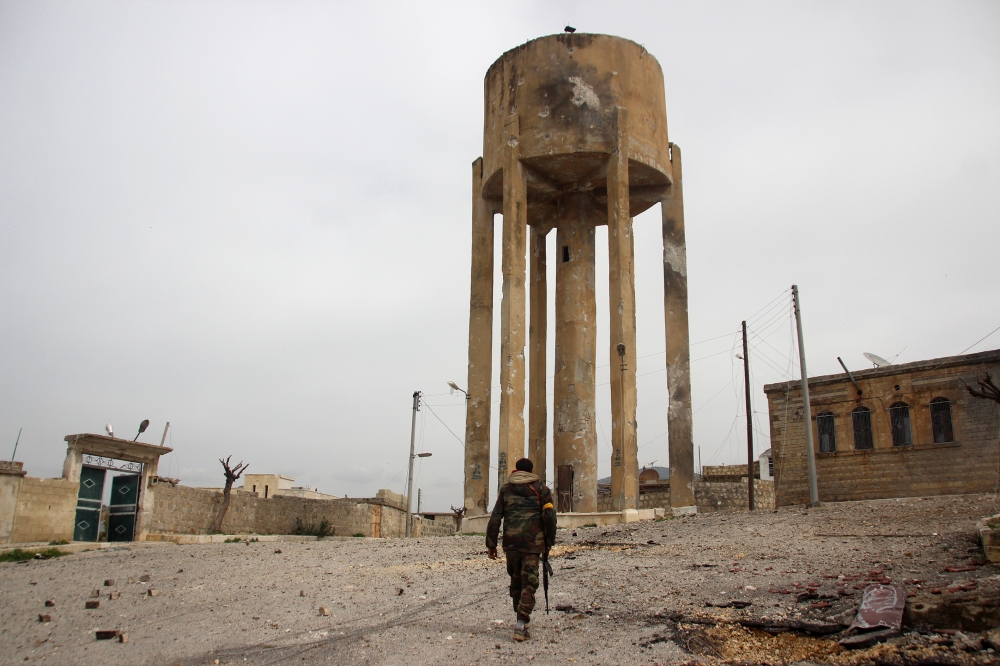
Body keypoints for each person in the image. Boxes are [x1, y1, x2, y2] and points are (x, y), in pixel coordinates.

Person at [486, 458, 557, 641]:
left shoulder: (505, 490)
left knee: (516, 581)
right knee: (530, 582)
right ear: (531, 470)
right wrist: (549, 540)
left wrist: (491, 544)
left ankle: (521, 621)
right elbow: (549, 516)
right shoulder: (542, 489)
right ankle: (521, 620)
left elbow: (495, 517)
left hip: (511, 545)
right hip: (533, 544)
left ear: (516, 470)